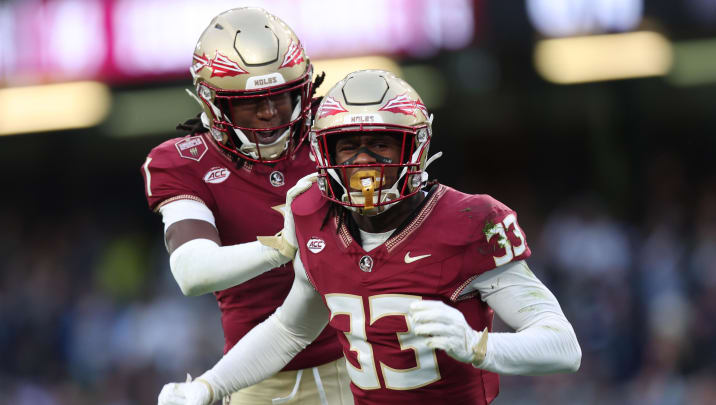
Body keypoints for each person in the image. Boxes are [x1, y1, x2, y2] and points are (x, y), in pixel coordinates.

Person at [157, 70, 581, 405]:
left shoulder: (471, 220)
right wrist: (210, 387)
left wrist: (478, 345)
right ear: (323, 153)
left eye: (381, 144)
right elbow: (290, 330)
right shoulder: (313, 217)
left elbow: (564, 347)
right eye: (347, 147)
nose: (364, 162)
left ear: (413, 148)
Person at [141, 8, 351, 405]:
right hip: (259, 375)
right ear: (213, 103)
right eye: (251, 101)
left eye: (280, 95)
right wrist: (282, 246)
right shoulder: (184, 161)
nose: (270, 112)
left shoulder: (336, 133)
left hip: (365, 358)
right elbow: (192, 271)